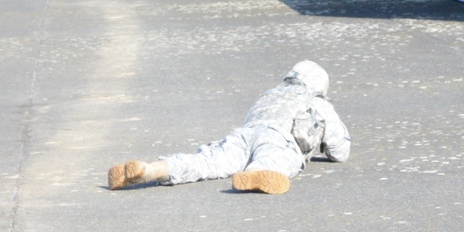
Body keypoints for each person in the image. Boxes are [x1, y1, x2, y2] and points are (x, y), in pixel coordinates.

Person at [108, 60, 351, 196]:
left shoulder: (269, 94)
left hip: (244, 134)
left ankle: (154, 169)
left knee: (208, 161)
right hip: (278, 139)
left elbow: (250, 121)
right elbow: (340, 151)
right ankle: (258, 171)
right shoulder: (317, 102)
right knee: (275, 159)